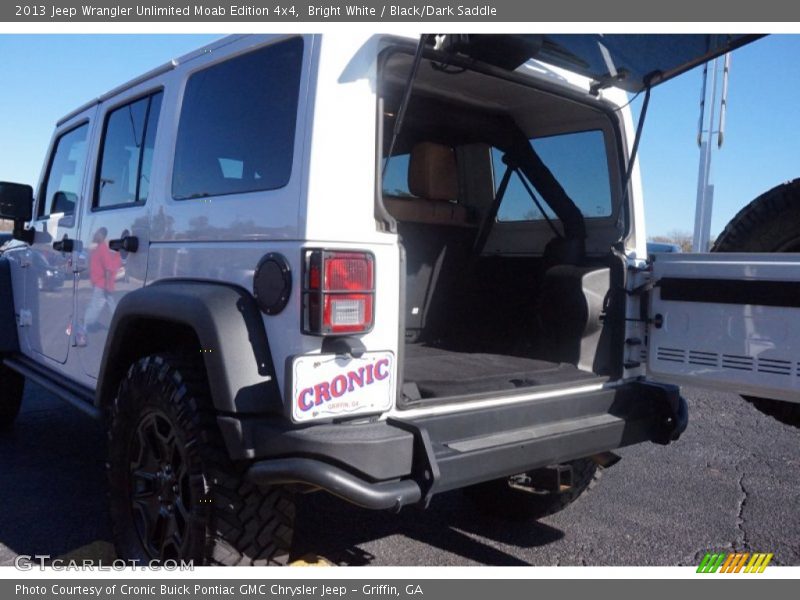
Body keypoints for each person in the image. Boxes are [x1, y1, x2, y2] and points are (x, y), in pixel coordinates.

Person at [81, 227, 121, 334]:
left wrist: (108, 285)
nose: (95, 235)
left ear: (102, 236)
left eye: (97, 234)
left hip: (102, 284)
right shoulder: (99, 248)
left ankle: (85, 326)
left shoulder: (103, 248)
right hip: (101, 283)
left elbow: (107, 267)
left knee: (95, 305)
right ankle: (120, 325)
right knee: (112, 305)